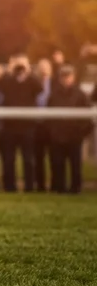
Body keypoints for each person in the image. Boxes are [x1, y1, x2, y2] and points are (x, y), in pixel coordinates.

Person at [0, 55, 42, 192]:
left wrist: (28, 71)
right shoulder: (8, 80)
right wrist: (9, 71)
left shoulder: (32, 80)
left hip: (27, 126)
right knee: (9, 159)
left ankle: (29, 187)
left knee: (28, 159)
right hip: (10, 126)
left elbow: (40, 88)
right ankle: (9, 187)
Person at [46, 66, 93, 194]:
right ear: (60, 78)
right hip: (58, 136)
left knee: (75, 164)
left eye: (68, 76)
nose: (66, 79)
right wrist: (52, 132)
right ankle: (59, 187)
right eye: (63, 76)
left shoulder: (80, 94)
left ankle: (75, 188)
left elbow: (87, 116)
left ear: (73, 77)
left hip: (74, 136)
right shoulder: (54, 95)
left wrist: (82, 133)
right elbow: (48, 115)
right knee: (58, 164)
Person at [32, 59, 54, 191]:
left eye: (46, 67)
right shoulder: (33, 84)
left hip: (51, 124)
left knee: (54, 157)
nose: (43, 70)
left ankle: (55, 184)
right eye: (41, 67)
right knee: (38, 156)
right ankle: (40, 185)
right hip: (36, 124)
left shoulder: (54, 84)